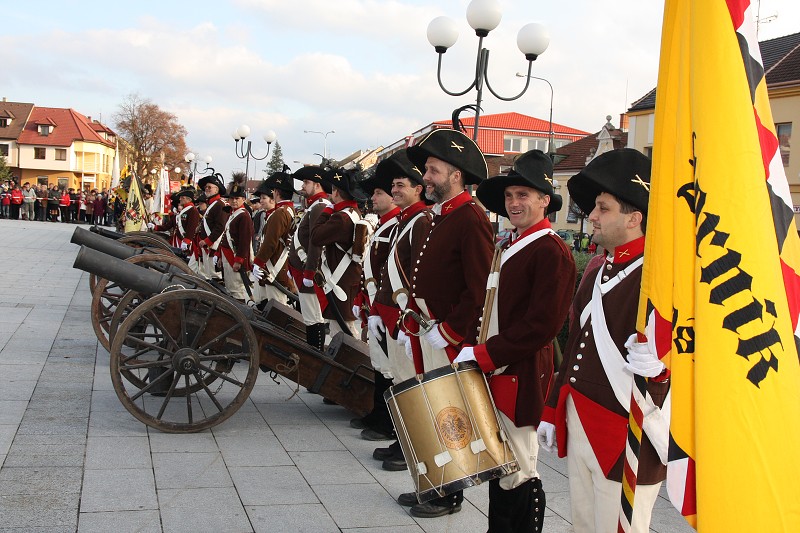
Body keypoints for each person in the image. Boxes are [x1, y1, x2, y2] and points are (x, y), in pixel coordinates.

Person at [537, 149, 670, 533]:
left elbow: (690, 357)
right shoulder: (597, 267)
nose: (591, 216)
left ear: (634, 217)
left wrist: (663, 369)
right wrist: (551, 409)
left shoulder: (659, 279)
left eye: (602, 207)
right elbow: (576, 345)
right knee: (583, 526)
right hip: (580, 420)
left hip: (626, 431)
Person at [444, 149, 575, 532]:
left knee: (518, 465)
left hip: (520, 372)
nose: (514, 203)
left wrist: (485, 354)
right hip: (494, 368)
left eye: (524, 196)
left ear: (544, 201)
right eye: (509, 196)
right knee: (499, 461)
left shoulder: (552, 250)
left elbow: (542, 326)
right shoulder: (511, 243)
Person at [393, 128, 494, 518]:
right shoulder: (442, 216)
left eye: (433, 171)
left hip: (448, 336)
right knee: (434, 411)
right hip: (429, 329)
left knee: (449, 416)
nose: (426, 178)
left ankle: (450, 494)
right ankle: (436, 483)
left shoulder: (470, 218)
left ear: (455, 175)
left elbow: (480, 286)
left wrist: (450, 330)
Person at [369, 149, 433, 471]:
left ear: (418, 188)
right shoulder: (405, 220)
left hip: (407, 319)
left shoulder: (421, 222)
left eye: (400, 185)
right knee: (400, 383)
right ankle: (402, 440)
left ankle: (412, 447)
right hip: (394, 316)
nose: (394, 191)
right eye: (392, 186)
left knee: (409, 384)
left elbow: (418, 277)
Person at [349, 155, 402, 442]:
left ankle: (389, 423)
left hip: (388, 308)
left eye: (379, 192)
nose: (375, 197)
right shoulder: (384, 224)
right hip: (376, 304)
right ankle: (378, 414)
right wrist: (363, 298)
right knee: (380, 363)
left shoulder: (396, 226)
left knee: (391, 367)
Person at [310, 168, 365, 339]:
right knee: (344, 329)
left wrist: (327, 211)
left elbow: (315, 237)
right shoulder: (353, 213)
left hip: (340, 281)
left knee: (342, 334)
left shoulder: (341, 217)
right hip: (346, 279)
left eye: (332, 189)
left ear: (336, 191)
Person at [287, 165, 332, 351]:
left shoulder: (320, 206)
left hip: (308, 270)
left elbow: (316, 242)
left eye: (306, 182)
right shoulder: (314, 205)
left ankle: (317, 354)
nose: (303, 186)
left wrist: (310, 271)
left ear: (318, 184)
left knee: (313, 317)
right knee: (310, 316)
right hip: (302, 268)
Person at [251, 170, 297, 307]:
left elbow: (271, 242)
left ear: (276, 192)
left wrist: (258, 262)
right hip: (275, 267)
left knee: (276, 310)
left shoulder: (280, 213)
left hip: (274, 268)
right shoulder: (288, 211)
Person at [218, 175, 255, 302]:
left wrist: (239, 260)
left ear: (243, 199)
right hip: (227, 256)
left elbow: (245, 241)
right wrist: (220, 256)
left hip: (235, 257)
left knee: (237, 290)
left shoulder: (243, 216)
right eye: (231, 199)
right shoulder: (232, 214)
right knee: (230, 287)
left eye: (237, 198)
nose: (234, 201)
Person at [197, 174, 229, 281]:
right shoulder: (212, 203)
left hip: (214, 246)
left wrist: (208, 240)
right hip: (209, 246)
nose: (207, 189)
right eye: (206, 187)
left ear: (217, 189)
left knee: (215, 277)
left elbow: (220, 227)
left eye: (210, 187)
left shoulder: (220, 204)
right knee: (208, 275)